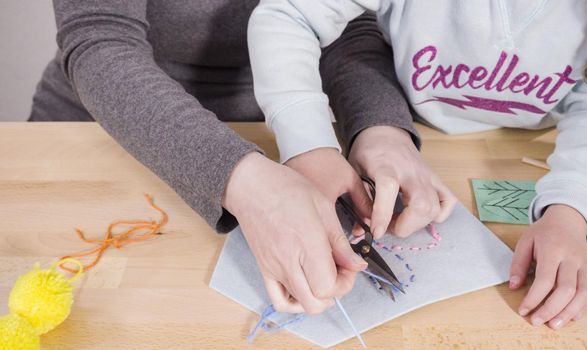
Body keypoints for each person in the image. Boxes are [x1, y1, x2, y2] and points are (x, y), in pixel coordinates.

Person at [30, 1, 422, 315]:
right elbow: (100, 39)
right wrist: (243, 180)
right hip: (97, 137)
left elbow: (347, 26)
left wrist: (380, 124)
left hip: (281, 134)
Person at [248, 0, 587, 329]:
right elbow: (289, 13)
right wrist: (309, 145)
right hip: (403, 136)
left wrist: (572, 207)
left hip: (532, 152)